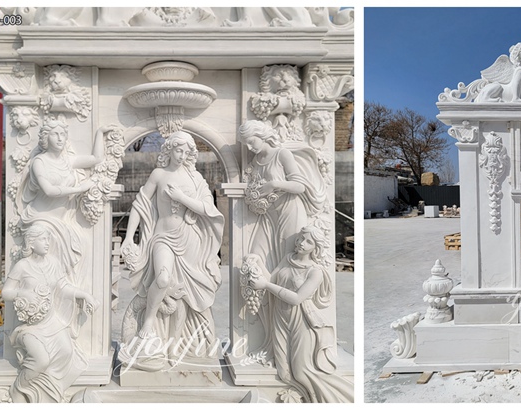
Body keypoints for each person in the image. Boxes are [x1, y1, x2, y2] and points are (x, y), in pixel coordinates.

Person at [120, 131, 224, 365]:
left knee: (185, 295)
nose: (182, 155)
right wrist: (129, 237)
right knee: (163, 279)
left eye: (186, 151)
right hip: (163, 237)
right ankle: (148, 321)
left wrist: (182, 198)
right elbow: (140, 204)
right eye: (178, 150)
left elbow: (209, 209)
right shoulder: (159, 174)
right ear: (169, 150)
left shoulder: (196, 178)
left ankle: (178, 344)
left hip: (191, 241)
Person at [246, 225, 353, 403]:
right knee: (284, 373)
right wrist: (257, 261)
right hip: (280, 317)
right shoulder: (288, 259)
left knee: (301, 372)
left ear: (316, 248)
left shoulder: (315, 272)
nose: (302, 243)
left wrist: (265, 286)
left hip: (302, 320)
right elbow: (271, 279)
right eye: (301, 238)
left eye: (308, 241)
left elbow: (296, 298)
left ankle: (329, 398)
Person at [2, 223, 98, 403]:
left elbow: (63, 287)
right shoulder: (23, 266)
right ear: (31, 243)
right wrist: (22, 293)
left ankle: (49, 394)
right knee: (41, 360)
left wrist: (85, 295)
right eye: (43, 239)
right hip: (30, 327)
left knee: (67, 352)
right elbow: (5, 292)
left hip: (51, 322)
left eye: (47, 239)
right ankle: (19, 389)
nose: (47, 243)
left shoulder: (53, 263)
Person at [17, 117, 108, 284]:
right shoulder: (39, 162)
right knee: (47, 269)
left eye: (63, 134)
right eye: (55, 134)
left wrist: (100, 133)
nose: (60, 138)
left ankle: (69, 300)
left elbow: (96, 158)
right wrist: (79, 188)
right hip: (42, 219)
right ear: (46, 138)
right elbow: (49, 190)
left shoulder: (68, 161)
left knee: (81, 250)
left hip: (63, 222)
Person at [239, 120, 325, 272]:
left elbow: (300, 186)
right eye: (246, 144)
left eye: (251, 142)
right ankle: (267, 290)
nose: (249, 148)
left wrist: (274, 185)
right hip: (268, 215)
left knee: (288, 255)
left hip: (290, 210)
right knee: (257, 253)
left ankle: (286, 293)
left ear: (262, 135)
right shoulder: (256, 161)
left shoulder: (281, 154)